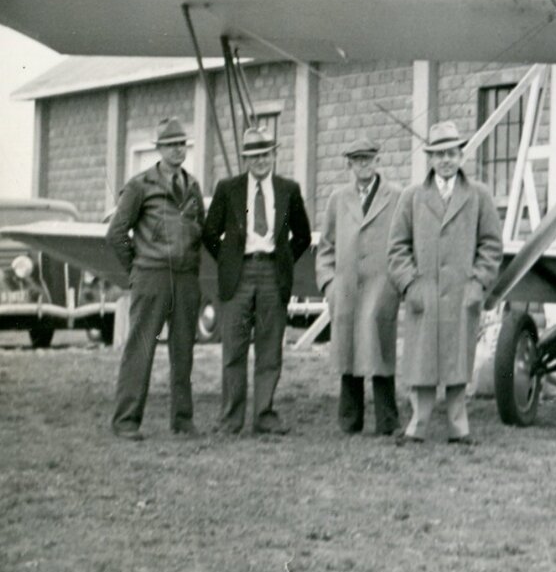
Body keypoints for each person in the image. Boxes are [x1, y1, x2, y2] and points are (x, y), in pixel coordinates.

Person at [387, 120, 503, 445]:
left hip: (461, 293)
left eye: (451, 153)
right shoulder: (412, 197)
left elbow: (492, 246)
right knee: (422, 361)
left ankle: (458, 425)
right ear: (430, 159)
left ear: (461, 155)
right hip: (423, 293)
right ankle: (418, 423)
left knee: (457, 360)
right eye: (439, 154)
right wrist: (410, 285)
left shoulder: (479, 196)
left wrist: (478, 283)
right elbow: (396, 247)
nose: (445, 160)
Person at [203, 127, 313, 435]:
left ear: (275, 155)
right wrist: (230, 261)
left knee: (269, 349)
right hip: (238, 276)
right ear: (245, 159)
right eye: (254, 156)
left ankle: (264, 415)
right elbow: (210, 234)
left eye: (265, 154)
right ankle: (230, 419)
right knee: (234, 350)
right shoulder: (228, 189)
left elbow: (302, 235)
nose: (261, 161)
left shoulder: (289, 189)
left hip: (272, 276)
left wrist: (282, 260)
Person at [105, 117, 206, 440]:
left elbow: (199, 228)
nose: (177, 150)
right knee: (140, 349)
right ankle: (126, 422)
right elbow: (117, 232)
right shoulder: (139, 186)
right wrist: (137, 268)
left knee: (183, 351)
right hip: (151, 277)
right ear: (159, 149)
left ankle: (183, 420)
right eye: (170, 145)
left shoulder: (192, 186)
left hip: (186, 278)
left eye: (181, 144)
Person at [315, 135, 402, 436]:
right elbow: (325, 247)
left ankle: (387, 422)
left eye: (368, 159)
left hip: (382, 287)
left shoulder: (396, 196)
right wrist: (329, 284)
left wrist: (396, 283)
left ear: (378, 161)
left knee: (381, 353)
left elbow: (405, 242)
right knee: (349, 353)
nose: (363, 165)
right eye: (357, 160)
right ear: (349, 164)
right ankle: (350, 421)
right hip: (347, 290)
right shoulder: (337, 200)